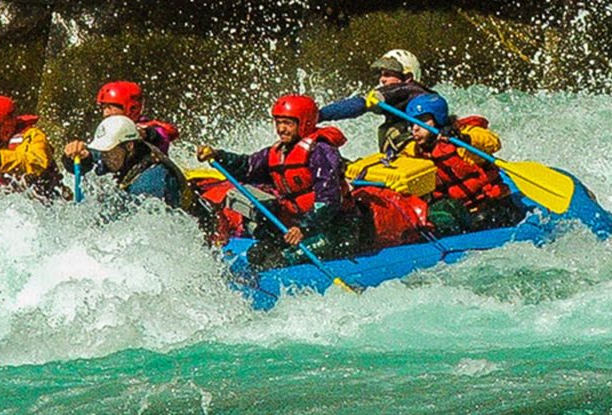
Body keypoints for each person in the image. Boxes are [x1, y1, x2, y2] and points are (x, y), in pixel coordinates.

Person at [196, 94, 360, 269]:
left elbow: (328, 200)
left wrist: (304, 228)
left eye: (287, 123)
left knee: (278, 258)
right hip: (300, 225)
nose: (281, 129)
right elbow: (247, 167)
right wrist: (218, 156)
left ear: (304, 123)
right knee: (259, 251)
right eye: (278, 123)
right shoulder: (278, 151)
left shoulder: (321, 151)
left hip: (336, 228)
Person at [393, 93, 525, 235]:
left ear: (438, 120)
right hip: (461, 212)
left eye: (421, 121)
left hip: (492, 205)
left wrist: (463, 139)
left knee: (479, 217)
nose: (415, 128)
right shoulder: (414, 151)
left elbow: (493, 142)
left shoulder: (461, 138)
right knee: (439, 213)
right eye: (412, 123)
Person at [63, 114, 192, 211]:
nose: (104, 157)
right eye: (103, 152)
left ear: (130, 146)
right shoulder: (118, 153)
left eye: (108, 151)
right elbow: (88, 160)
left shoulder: (152, 181)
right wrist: (75, 157)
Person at [318, 49, 430, 153]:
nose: (382, 79)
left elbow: (360, 104)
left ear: (408, 77)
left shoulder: (408, 90)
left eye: (387, 74)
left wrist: (319, 115)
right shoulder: (415, 95)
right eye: (382, 74)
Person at [96, 80, 179, 155]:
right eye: (103, 108)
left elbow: (165, 134)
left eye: (109, 108)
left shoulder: (147, 128)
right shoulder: (107, 129)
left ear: (132, 109)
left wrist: (147, 133)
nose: (105, 114)